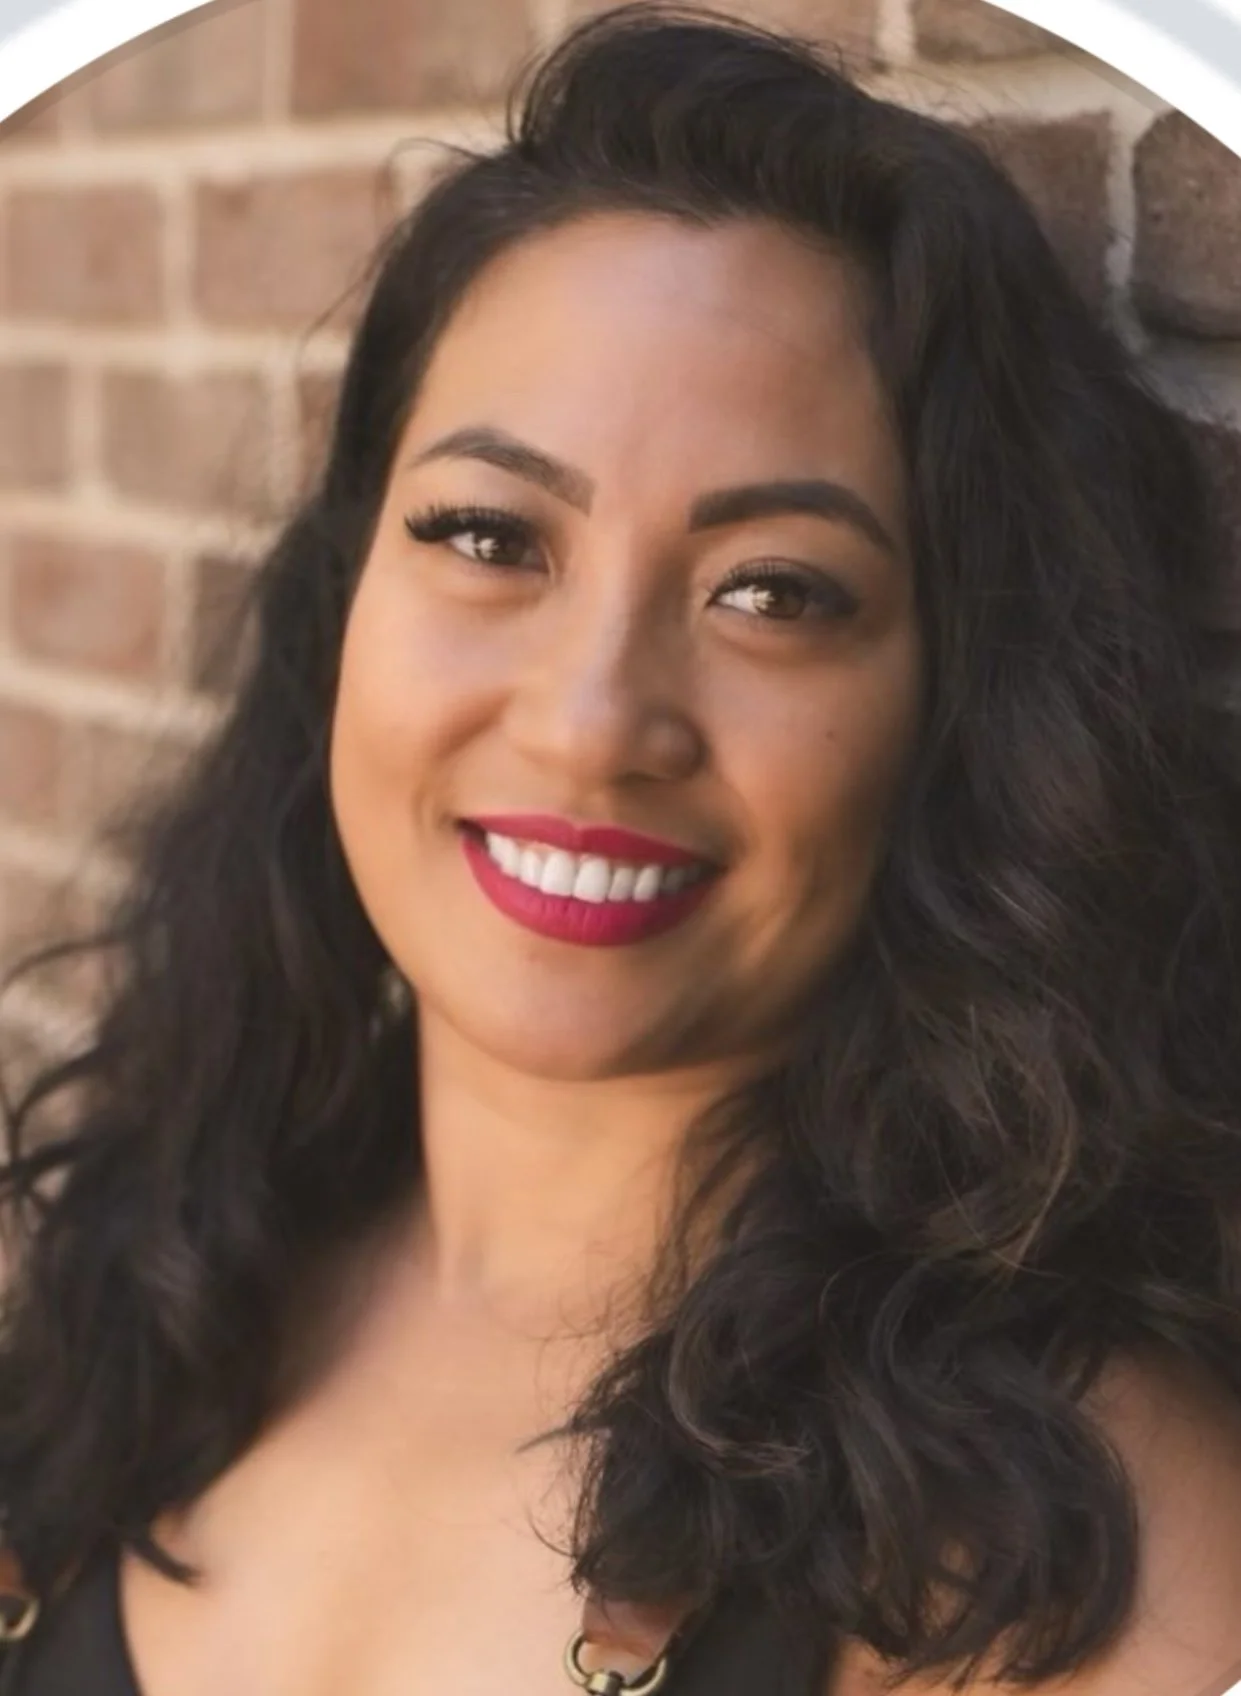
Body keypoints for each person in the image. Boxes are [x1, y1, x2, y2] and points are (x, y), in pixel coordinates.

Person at [2, 3, 1241, 1692]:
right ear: (344, 602)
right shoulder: (148, 1281)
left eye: (774, 591)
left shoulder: (1058, 1553)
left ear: (959, 712)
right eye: (492, 535)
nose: (592, 720)